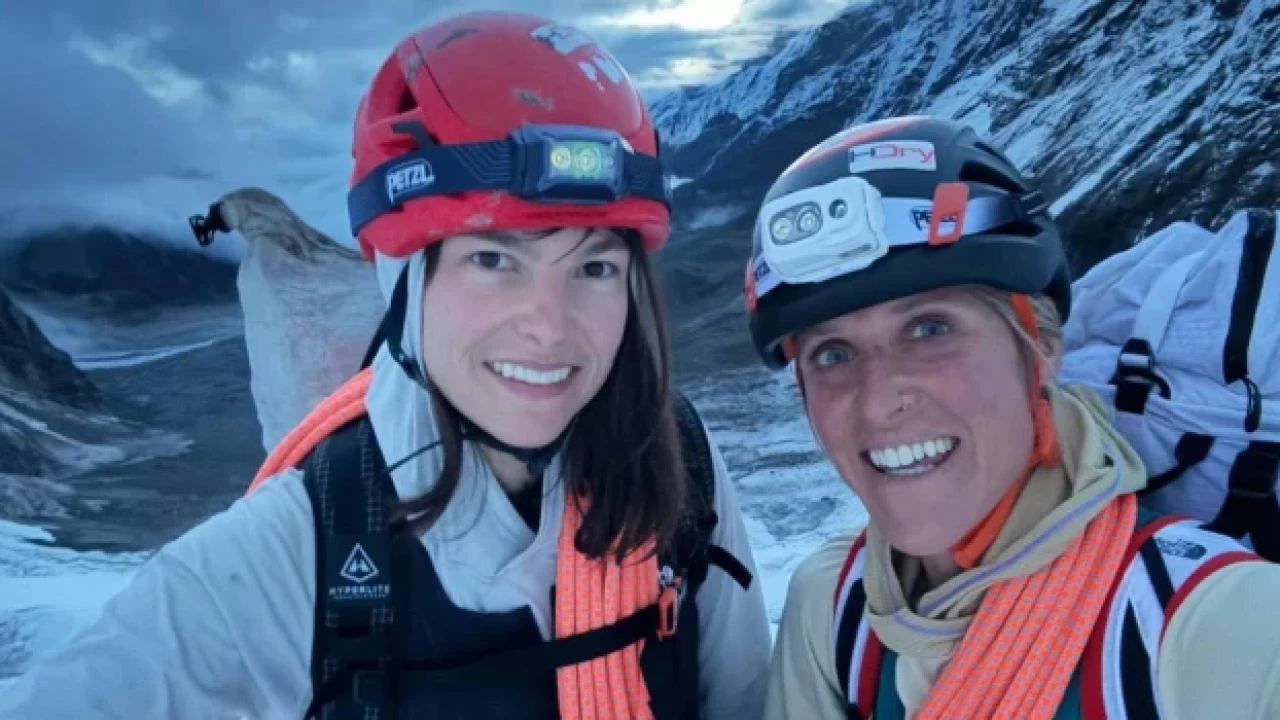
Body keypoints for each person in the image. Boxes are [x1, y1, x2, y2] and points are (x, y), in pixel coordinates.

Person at [0, 12, 772, 719]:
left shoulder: (679, 466)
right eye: (492, 259)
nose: (549, 323)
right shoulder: (296, 551)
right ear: (403, 280)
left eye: (595, 268)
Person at [747, 116, 1280, 719]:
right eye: (832, 354)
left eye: (929, 328)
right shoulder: (830, 608)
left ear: (1042, 345)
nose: (875, 402)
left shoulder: (1218, 628)